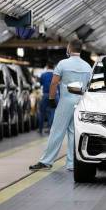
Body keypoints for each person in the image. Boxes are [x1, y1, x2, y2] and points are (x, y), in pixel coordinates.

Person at [29, 39, 92, 171]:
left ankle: (46, 161)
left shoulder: (63, 64)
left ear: (69, 48)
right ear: (80, 49)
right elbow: (89, 86)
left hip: (66, 102)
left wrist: (52, 99)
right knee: (74, 133)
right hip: (81, 103)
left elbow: (54, 83)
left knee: (57, 131)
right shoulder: (87, 66)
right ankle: (72, 164)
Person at [37, 61, 56, 134]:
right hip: (54, 95)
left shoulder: (43, 75)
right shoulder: (55, 75)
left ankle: (40, 129)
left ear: (47, 66)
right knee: (52, 111)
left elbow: (40, 83)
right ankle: (50, 128)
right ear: (53, 67)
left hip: (45, 95)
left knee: (42, 112)